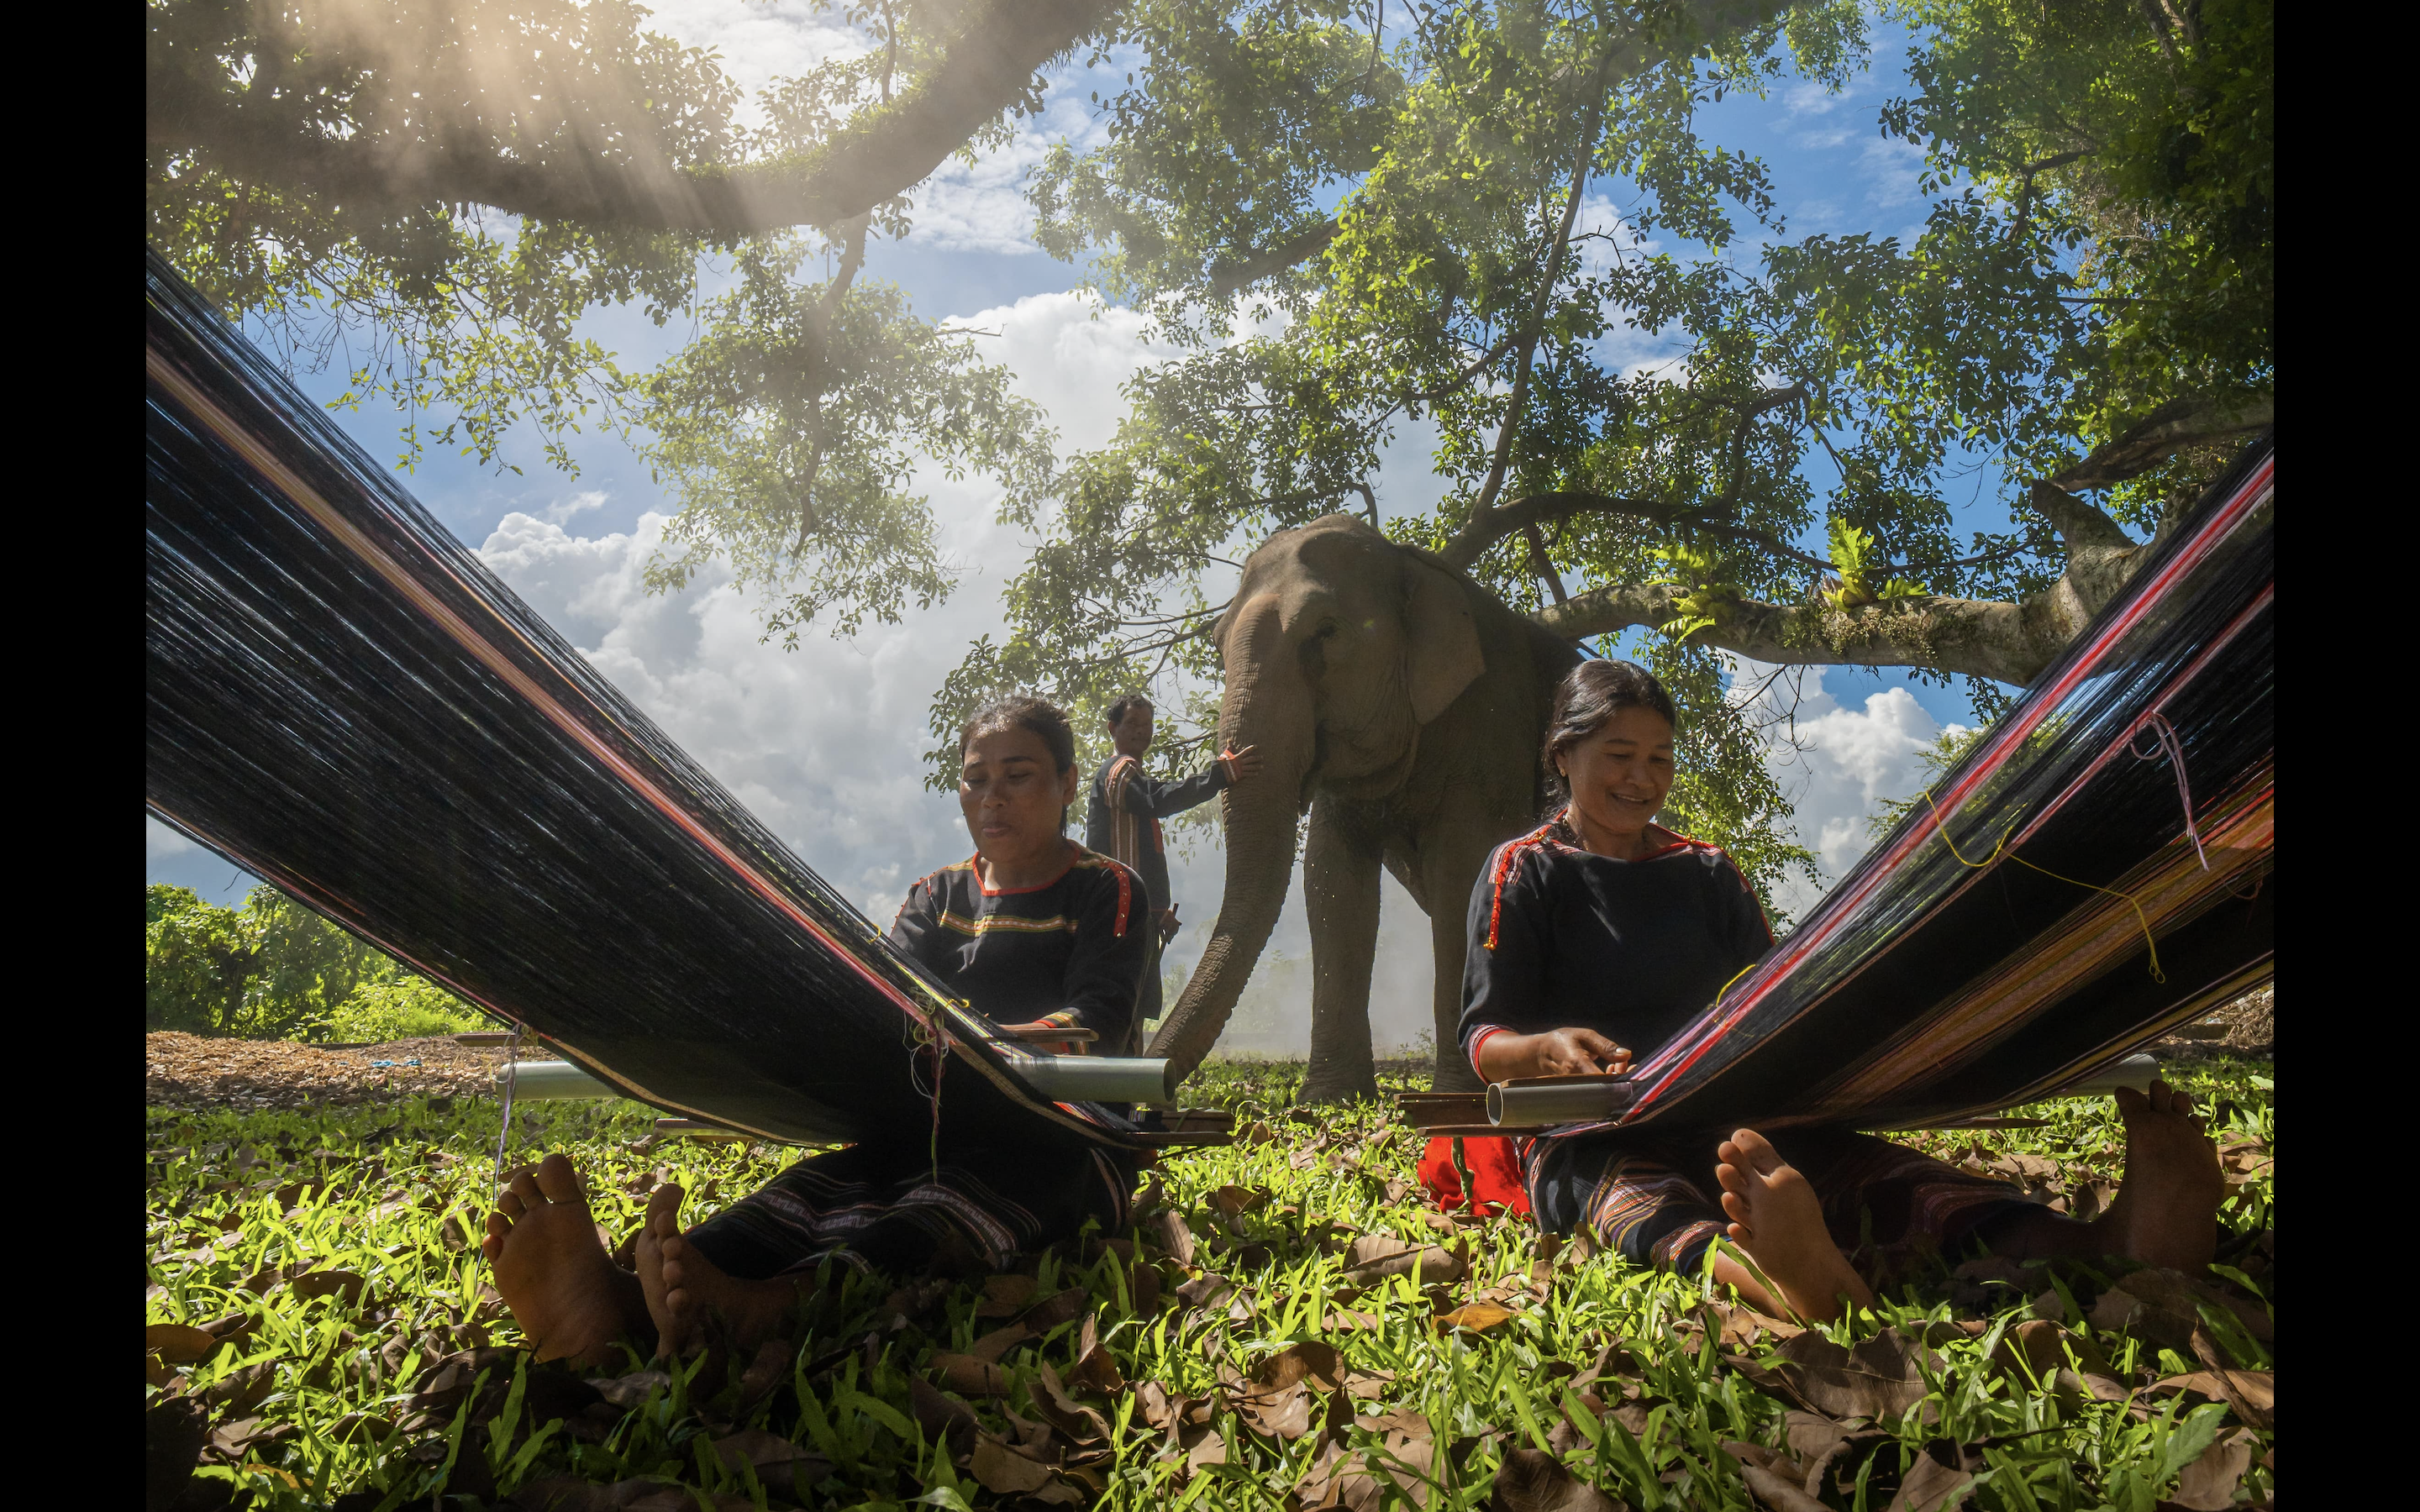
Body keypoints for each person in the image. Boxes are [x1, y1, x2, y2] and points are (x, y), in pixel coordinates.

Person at [1460, 659, 2226, 1322]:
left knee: (1891, 1180)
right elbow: (1484, 1039)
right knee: (1634, 1201)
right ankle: (1780, 1276)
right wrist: (1544, 1050)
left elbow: (1770, 1000)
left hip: (1731, 1111)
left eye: (1660, 758)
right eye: (1620, 754)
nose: (1643, 778)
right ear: (1564, 755)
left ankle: (2108, 1243)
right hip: (1592, 1129)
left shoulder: (1707, 871)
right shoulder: (1524, 871)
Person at [480, 696, 1151, 1365]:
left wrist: (974, 1049)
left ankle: (774, 1309)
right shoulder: (935, 896)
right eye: (976, 779)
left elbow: (1096, 1024)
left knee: (936, 1215)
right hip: (926, 1128)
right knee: (811, 1199)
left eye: (1019, 775)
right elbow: (885, 1010)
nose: (993, 798)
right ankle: (619, 1303)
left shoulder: (1104, 888)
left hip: (1064, 1138)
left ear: (1066, 784)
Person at [1082, 695, 1263, 1047]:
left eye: (1147, 725)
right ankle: (1114, 1090)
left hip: (1134, 913)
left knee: (1132, 1007)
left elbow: (1142, 851)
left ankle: (1125, 1092)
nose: (1141, 732)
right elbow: (1159, 800)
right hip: (1118, 916)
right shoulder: (1118, 773)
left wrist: (1156, 911)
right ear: (1112, 729)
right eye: (1133, 724)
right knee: (1121, 1004)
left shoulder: (1131, 775)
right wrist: (1220, 774)